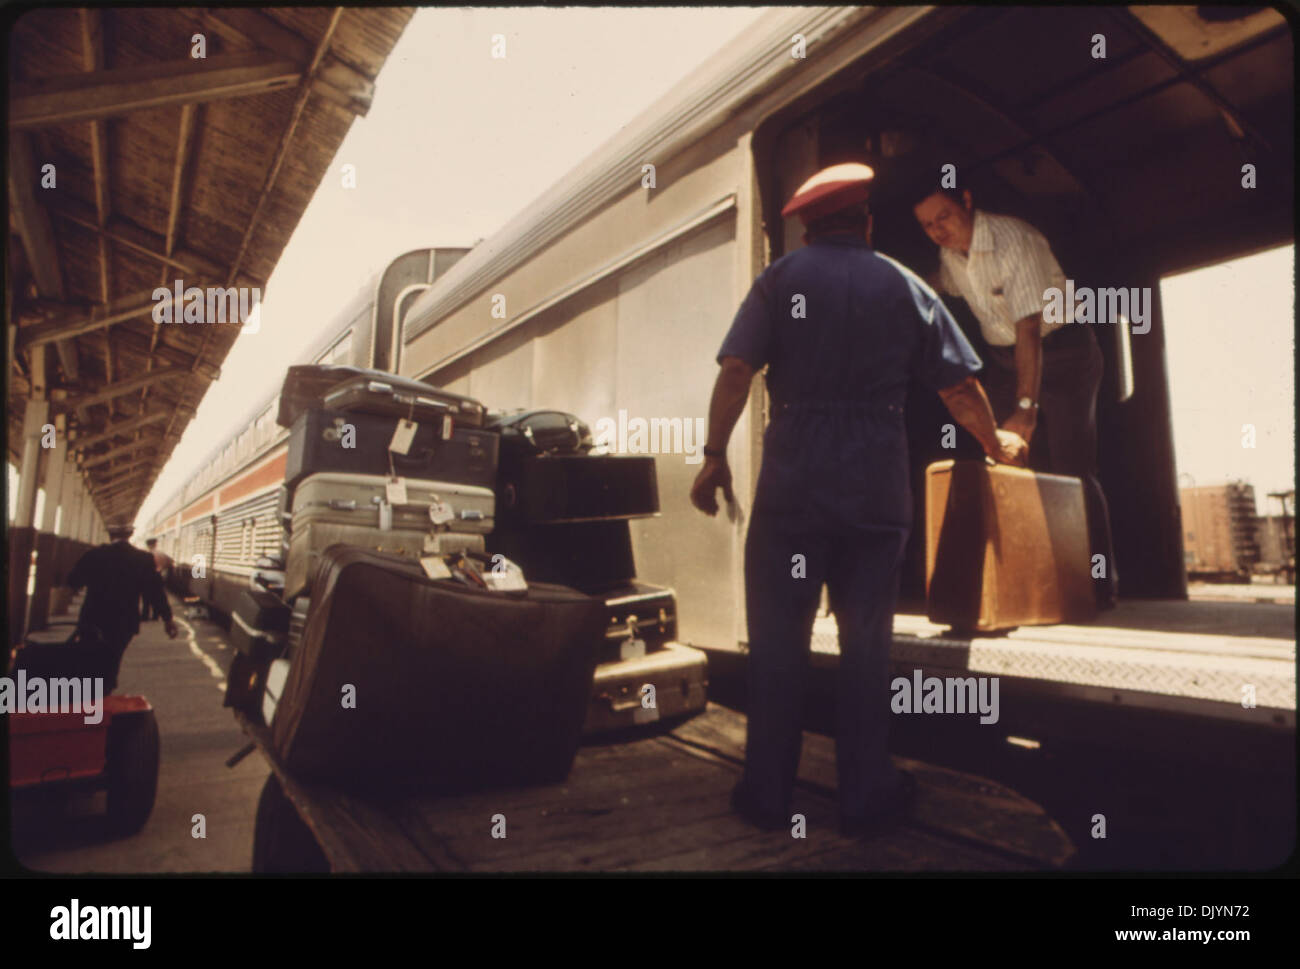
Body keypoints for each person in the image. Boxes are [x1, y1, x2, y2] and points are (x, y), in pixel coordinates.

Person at [690, 163, 1026, 835]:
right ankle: (867, 796)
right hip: (874, 493)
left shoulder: (780, 280)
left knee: (778, 642)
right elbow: (959, 388)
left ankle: (767, 794)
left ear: (808, 227)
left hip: (793, 491)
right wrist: (996, 445)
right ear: (867, 223)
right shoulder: (903, 285)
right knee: (867, 645)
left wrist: (713, 455)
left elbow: (735, 371)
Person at [911, 183, 1117, 608]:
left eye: (944, 217)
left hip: (1064, 355)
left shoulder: (1015, 240)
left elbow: (1029, 328)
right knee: (1010, 461)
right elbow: (945, 284)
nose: (938, 231)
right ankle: (1034, 581)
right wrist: (903, 289)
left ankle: (1097, 587)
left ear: (967, 200)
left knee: (1071, 467)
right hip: (1005, 359)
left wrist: (1026, 407)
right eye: (928, 225)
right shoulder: (950, 254)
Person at [66, 522, 178, 692]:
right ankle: (106, 692)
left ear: (110, 535)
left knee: (89, 661)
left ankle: (90, 698)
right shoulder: (143, 559)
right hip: (124, 622)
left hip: (93, 619)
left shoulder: (94, 554)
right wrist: (168, 619)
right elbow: (155, 593)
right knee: (112, 660)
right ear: (130, 535)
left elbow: (73, 581)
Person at [141, 538, 172, 621]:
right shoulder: (161, 553)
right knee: (157, 597)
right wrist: (162, 568)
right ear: (155, 544)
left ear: (147, 545)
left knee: (146, 598)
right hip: (158, 577)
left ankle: (145, 616)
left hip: (146, 578)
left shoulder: (145, 554)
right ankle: (155, 616)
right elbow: (170, 562)